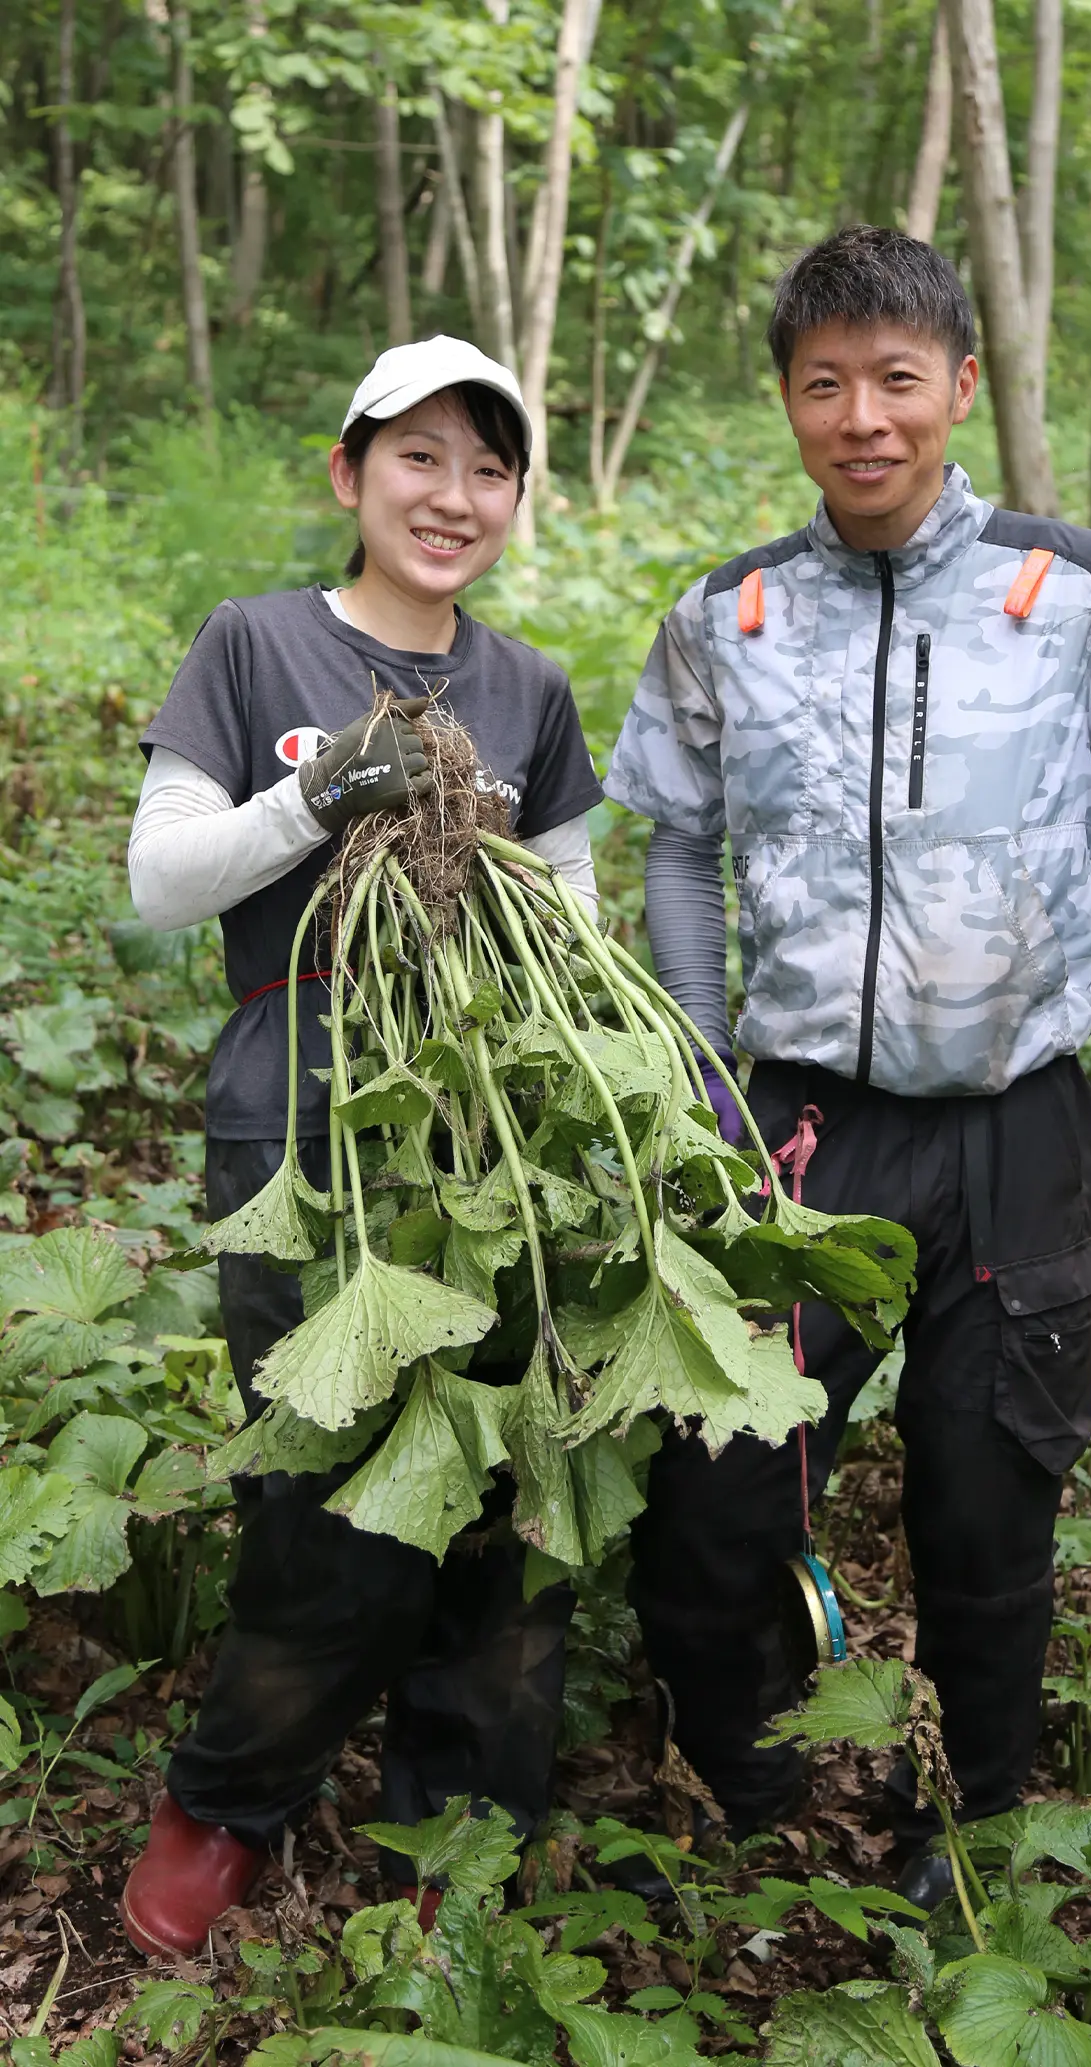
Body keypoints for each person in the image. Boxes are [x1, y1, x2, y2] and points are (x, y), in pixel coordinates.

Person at [603, 227, 1091, 1906]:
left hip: (1015, 1128)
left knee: (988, 1505)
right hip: (798, 1124)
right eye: (823, 383)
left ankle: (968, 1818)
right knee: (715, 1481)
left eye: (895, 379)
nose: (862, 417)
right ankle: (739, 1776)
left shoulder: (1064, 592)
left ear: (959, 387)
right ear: (787, 400)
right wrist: (700, 1045)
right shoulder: (728, 616)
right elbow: (680, 842)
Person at [122, 337, 604, 1956]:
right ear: (349, 473)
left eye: (488, 469)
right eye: (418, 457)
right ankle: (228, 1799)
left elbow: (577, 918)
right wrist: (321, 793)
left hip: (487, 1130)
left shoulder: (530, 688)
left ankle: (461, 1822)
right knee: (319, 1487)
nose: (452, 496)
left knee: (510, 1489)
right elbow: (161, 882)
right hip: (300, 1112)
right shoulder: (254, 644)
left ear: (515, 499)